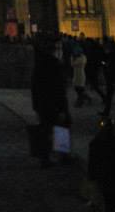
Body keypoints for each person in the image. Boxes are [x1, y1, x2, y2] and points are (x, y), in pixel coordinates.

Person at [31, 38, 69, 168]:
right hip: (55, 103)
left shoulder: (39, 64)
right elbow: (59, 87)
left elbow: (34, 86)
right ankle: (63, 155)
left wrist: (35, 105)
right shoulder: (55, 64)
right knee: (61, 128)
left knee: (45, 130)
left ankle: (45, 157)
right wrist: (63, 106)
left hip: (43, 104)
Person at [88, 117, 115, 212]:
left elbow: (92, 164)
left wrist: (91, 177)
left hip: (105, 181)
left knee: (108, 203)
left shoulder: (95, 144)